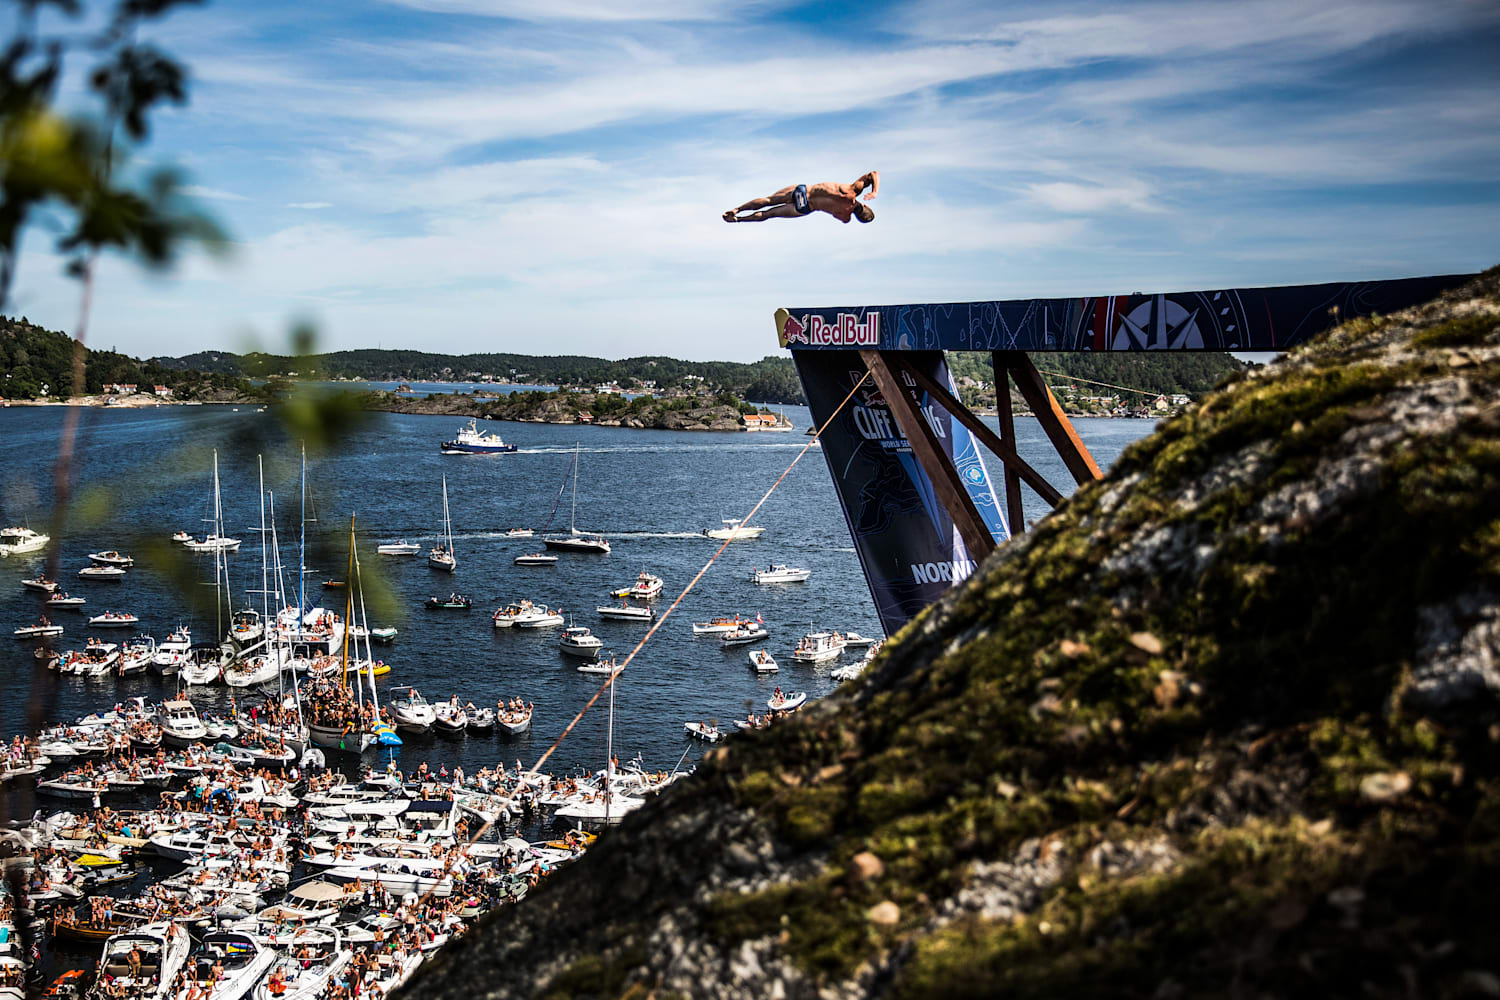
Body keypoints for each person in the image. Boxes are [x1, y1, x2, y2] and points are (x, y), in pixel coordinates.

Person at [724, 171, 878, 224]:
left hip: (804, 191)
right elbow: (843, 217)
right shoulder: (845, 216)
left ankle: (737, 209)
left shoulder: (850, 191)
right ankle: (739, 220)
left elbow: (873, 174)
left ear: (866, 206)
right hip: (804, 207)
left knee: (769, 201)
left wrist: (874, 191)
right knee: (769, 214)